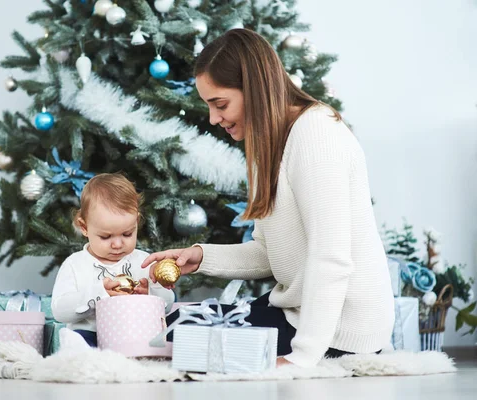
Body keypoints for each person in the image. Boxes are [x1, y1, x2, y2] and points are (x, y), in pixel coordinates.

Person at [141, 29, 394, 368]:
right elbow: (268, 253)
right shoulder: (270, 145)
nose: (214, 119)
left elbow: (331, 258)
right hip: (298, 312)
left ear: (255, 89)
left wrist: (301, 358)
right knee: (179, 329)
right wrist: (201, 257)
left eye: (220, 104)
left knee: (190, 341)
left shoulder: (316, 134)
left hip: (342, 329)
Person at [52, 173, 175, 347]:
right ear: (84, 227)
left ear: (136, 222)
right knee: (77, 342)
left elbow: (168, 304)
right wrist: (99, 293)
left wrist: (150, 293)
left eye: (127, 234)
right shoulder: (75, 264)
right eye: (105, 236)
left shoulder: (144, 262)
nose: (117, 244)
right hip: (90, 335)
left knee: (161, 339)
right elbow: (59, 311)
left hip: (134, 333)